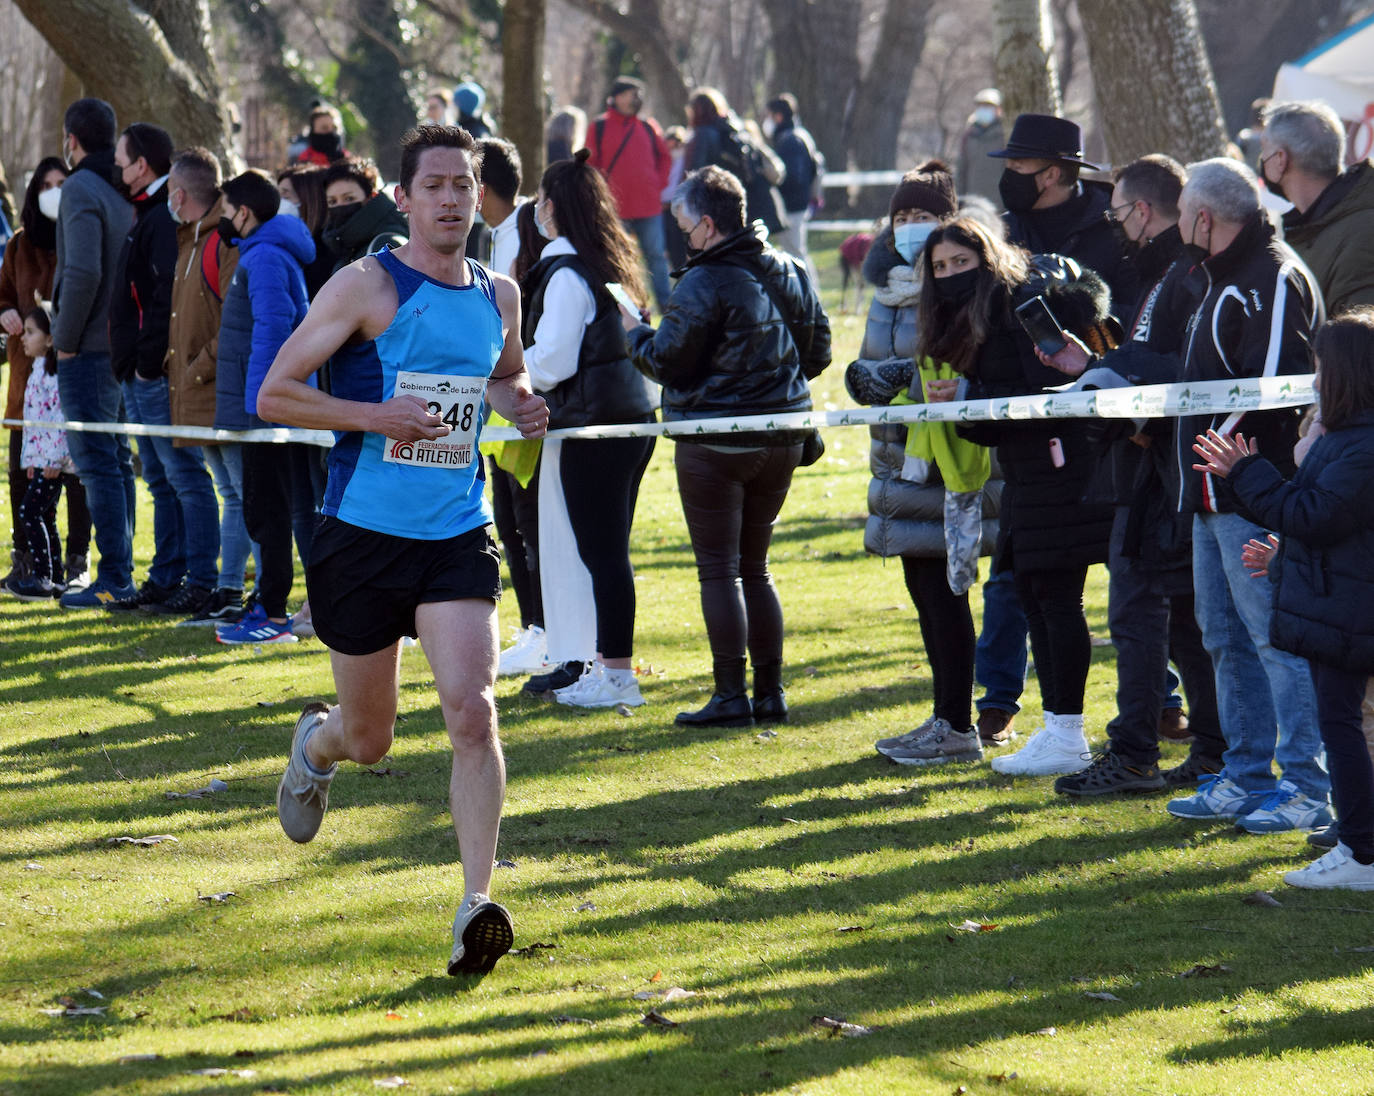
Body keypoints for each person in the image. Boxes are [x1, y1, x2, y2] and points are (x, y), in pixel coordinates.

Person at [257, 124, 548, 975]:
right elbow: (274, 392)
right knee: (372, 738)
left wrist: (520, 404)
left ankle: (475, 906)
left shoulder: (499, 294)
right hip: (361, 535)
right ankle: (318, 744)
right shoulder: (366, 286)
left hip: (456, 531)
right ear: (405, 196)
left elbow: (502, 375)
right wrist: (375, 416)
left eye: (465, 184)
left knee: (474, 711)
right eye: (436, 185)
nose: (453, 198)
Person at [1041, 155, 1228, 795]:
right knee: (1180, 619)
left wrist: (1128, 401)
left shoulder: (1184, 275)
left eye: (1118, 211)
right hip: (1156, 464)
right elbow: (1149, 359)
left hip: (1166, 467)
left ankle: (1137, 754)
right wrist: (1092, 363)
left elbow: (1183, 369)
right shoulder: (1167, 274)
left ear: (1142, 211)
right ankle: (1210, 750)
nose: (1115, 224)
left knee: (1142, 613)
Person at [625, 165, 831, 725]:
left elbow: (667, 361)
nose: (680, 237)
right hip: (784, 433)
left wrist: (635, 332)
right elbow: (818, 351)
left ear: (709, 225)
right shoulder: (789, 267)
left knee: (720, 570)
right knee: (755, 567)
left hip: (715, 439)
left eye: (684, 227)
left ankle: (730, 695)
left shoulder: (702, 281)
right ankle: (769, 692)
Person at [1165, 158, 1332, 833]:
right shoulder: (1216, 278)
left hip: (1252, 492)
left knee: (1274, 638)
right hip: (1211, 493)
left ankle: (1307, 787)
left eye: (1181, 212)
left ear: (1204, 218)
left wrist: (1219, 459)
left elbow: (1270, 393)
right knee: (1223, 635)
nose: (1177, 225)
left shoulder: (1274, 276)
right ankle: (1243, 776)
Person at [920, 216, 1115, 776]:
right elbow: (999, 415)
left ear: (987, 257)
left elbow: (1047, 386)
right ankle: (1059, 730)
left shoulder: (1020, 307)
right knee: (1033, 596)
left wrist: (976, 399)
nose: (952, 273)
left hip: (1063, 469)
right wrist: (965, 407)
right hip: (1027, 472)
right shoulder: (968, 319)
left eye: (962, 261)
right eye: (941, 267)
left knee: (1056, 600)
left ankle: (1067, 730)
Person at [1190, 308, 1374, 888]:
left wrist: (1248, 471)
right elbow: (1325, 525)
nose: (1315, 381)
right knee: (1346, 722)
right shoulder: (1344, 440)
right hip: (1340, 605)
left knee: (1343, 725)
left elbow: (1318, 516)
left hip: (1352, 614)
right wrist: (1283, 554)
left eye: (1321, 367)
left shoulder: (1361, 447)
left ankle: (1361, 851)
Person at [972, 112, 1137, 747]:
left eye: (1019, 167)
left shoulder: (1111, 230)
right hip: (1023, 424)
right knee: (1018, 574)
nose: (1010, 177)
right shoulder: (1005, 231)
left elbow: (1129, 322)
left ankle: (1161, 702)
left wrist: (1081, 306)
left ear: (1055, 171)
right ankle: (999, 700)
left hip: (1106, 426)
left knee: (1135, 577)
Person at [844, 164, 998, 763]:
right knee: (922, 585)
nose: (911, 229)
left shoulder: (961, 282)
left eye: (924, 218)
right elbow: (869, 363)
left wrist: (905, 381)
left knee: (946, 590)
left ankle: (959, 723)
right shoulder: (884, 289)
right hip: (895, 456)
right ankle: (945, 717)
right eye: (902, 218)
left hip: (945, 460)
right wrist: (867, 381)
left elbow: (957, 365)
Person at [519, 150, 658, 707]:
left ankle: (617, 674)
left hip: (592, 427)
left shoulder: (567, 272)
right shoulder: (610, 264)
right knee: (606, 550)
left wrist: (505, 369)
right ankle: (604, 665)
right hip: (630, 419)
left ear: (550, 208)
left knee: (601, 553)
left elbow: (552, 361)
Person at [106, 122, 224, 620]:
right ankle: (166, 574)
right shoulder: (153, 216)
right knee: (159, 476)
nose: (116, 167)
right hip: (141, 370)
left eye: (122, 158)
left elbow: (161, 302)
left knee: (183, 475)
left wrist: (149, 366)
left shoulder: (160, 219)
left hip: (155, 372)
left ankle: (199, 578)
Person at [211, 169, 316, 645]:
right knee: (263, 506)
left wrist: (262, 401)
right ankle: (268, 605)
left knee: (266, 508)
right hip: (264, 404)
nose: (221, 219)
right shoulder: (261, 252)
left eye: (225, 210)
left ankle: (271, 614)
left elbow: (275, 329)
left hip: (266, 409)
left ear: (244, 212)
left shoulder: (267, 257)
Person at [51, 97, 138, 609]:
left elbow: (82, 273)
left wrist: (63, 341)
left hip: (87, 346)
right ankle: (121, 575)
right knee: (117, 462)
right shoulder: (123, 187)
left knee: (99, 465)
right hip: (121, 345)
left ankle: (113, 579)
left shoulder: (82, 185)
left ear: (72, 139)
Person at [165, 148, 247, 626]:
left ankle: (233, 591)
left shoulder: (223, 241)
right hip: (196, 389)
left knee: (238, 493)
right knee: (229, 491)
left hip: (218, 388)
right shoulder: (191, 239)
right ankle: (228, 589)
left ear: (180, 193)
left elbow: (235, 324)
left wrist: (196, 368)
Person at [1, 156, 89, 592]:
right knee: (23, 471)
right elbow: (0, 296)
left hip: (73, 371)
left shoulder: (83, 233)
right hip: (26, 376)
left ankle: (76, 561)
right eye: (46, 184)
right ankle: (27, 561)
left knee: (77, 478)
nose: (54, 190)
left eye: (62, 183)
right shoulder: (18, 245)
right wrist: (8, 314)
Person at [1260, 100, 1374, 316]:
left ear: (1281, 160)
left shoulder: (1363, 232)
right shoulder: (1313, 226)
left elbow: (1358, 343)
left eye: (1264, 149)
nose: (1262, 159)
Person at [6, 305, 75, 600]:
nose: (24, 337)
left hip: (54, 461)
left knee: (29, 512)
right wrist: (32, 460)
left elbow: (60, 421)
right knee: (44, 514)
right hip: (42, 461)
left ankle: (42, 576)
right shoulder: (35, 370)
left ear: (49, 339)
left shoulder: (54, 376)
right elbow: (34, 424)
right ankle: (57, 579)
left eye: (31, 332)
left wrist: (54, 460)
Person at [587, 76, 673, 311]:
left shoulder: (648, 126)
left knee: (656, 256)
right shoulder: (599, 126)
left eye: (637, 94)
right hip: (615, 207)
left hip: (649, 206)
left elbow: (665, 157)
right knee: (617, 257)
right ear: (615, 97)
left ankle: (666, 306)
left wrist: (658, 184)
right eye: (630, 94)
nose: (635, 99)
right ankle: (621, 305)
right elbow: (591, 164)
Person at [685, 87, 788, 241]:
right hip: (751, 201)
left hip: (720, 205)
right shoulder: (735, 128)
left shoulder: (703, 134)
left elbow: (695, 172)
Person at [763, 94, 823, 275]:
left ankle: (811, 297)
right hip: (798, 204)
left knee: (795, 253)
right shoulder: (799, 135)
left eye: (769, 115)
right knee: (794, 251)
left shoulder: (790, 141)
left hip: (792, 206)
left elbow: (793, 177)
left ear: (778, 115)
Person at [322, 158, 409, 273]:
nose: (340, 206)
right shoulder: (349, 244)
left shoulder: (387, 245)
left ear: (371, 196)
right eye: (332, 201)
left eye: (349, 198)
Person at [277, 164, 335, 298]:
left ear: (310, 199)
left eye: (286, 196)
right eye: (277, 196)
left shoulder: (326, 250)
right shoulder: (287, 244)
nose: (279, 203)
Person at [957, 89, 1005, 201]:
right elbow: (961, 171)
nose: (984, 110)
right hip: (973, 203)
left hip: (1000, 205)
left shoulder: (1005, 136)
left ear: (998, 109)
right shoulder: (968, 136)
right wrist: (959, 199)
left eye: (989, 106)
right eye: (981, 106)